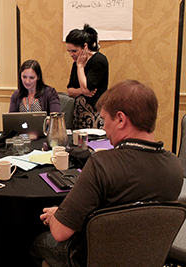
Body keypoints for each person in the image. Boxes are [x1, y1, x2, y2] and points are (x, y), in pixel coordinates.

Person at [31, 80, 183, 266]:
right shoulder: (175, 167)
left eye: (104, 120)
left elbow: (60, 232)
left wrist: (58, 216)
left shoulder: (101, 164)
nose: (103, 128)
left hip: (91, 258)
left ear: (120, 119)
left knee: (36, 242)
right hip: (146, 258)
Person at [65, 24, 109, 130]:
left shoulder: (99, 60)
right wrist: (81, 91)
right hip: (79, 114)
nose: (71, 55)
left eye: (74, 51)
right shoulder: (75, 63)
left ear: (85, 46)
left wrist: (80, 66)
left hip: (96, 113)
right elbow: (70, 91)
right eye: (69, 51)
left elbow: (87, 88)